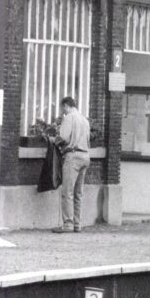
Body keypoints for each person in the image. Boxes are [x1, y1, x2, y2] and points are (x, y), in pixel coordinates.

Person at [51, 96, 90, 233]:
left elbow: (63, 137)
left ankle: (68, 224)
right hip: (85, 155)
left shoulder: (69, 118)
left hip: (73, 156)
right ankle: (77, 224)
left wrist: (54, 140)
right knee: (78, 192)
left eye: (63, 109)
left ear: (66, 106)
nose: (63, 112)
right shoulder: (84, 120)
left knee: (67, 192)